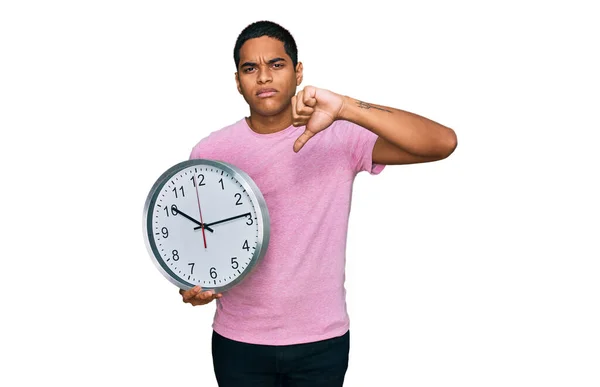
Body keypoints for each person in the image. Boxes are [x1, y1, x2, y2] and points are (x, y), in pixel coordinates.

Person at [179, 20, 457, 387]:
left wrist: (345, 107)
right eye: (250, 68)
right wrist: (193, 285)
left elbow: (442, 143)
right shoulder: (211, 152)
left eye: (276, 65)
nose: (263, 77)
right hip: (238, 341)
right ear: (237, 81)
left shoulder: (338, 136)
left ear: (298, 72)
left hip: (320, 342)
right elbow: (199, 240)